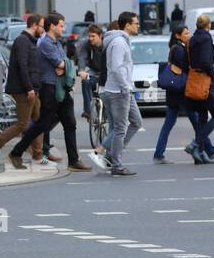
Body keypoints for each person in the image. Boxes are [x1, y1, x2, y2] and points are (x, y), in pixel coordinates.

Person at [7, 13, 92, 173]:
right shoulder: (45, 43)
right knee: (41, 124)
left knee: (70, 124)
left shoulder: (57, 43)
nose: (63, 28)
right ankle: (16, 152)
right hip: (50, 89)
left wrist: (64, 66)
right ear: (52, 26)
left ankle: (73, 160)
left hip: (61, 88)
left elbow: (64, 64)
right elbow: (61, 63)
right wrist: (64, 65)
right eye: (61, 25)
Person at [0, 14, 50, 166]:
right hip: (24, 90)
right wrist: (29, 87)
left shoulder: (30, 42)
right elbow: (22, 66)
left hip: (32, 88)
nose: (43, 30)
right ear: (34, 25)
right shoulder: (22, 41)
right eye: (42, 26)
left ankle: (38, 156)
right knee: (22, 124)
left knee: (39, 121)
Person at [97, 11, 143, 175]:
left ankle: (111, 155)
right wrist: (125, 87)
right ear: (127, 25)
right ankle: (116, 164)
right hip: (118, 91)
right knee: (120, 129)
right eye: (136, 23)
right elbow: (116, 68)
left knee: (136, 121)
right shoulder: (118, 43)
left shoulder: (122, 41)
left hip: (123, 89)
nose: (138, 25)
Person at [153, 24, 199, 163]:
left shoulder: (178, 47)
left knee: (169, 123)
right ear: (177, 35)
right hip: (181, 92)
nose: (188, 35)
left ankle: (158, 154)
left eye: (188, 33)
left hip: (176, 93)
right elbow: (186, 68)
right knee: (197, 121)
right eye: (185, 33)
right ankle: (207, 149)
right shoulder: (179, 49)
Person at [187, 13, 214, 165]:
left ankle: (199, 153)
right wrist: (212, 72)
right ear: (208, 25)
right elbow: (205, 61)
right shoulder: (206, 38)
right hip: (205, 81)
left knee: (202, 117)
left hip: (194, 80)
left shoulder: (192, 39)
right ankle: (195, 144)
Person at [76, 24, 107, 140]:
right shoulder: (86, 44)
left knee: (106, 93)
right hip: (93, 70)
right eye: (89, 36)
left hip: (105, 70)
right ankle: (88, 111)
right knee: (85, 81)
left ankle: (106, 112)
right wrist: (82, 70)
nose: (90, 38)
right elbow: (82, 57)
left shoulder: (106, 45)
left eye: (93, 36)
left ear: (100, 36)